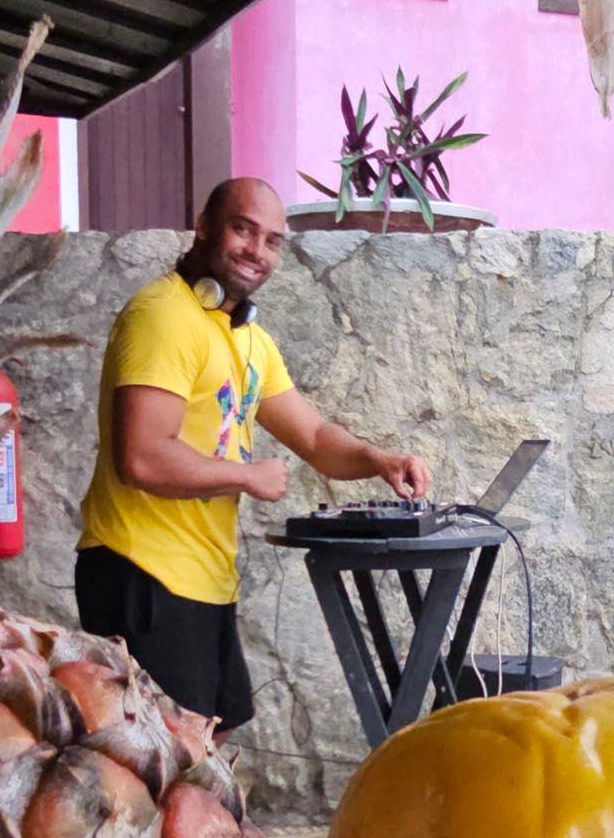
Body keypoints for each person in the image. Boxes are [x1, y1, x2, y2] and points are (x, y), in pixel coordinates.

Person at [75, 177, 432, 734]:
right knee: (172, 769)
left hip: (200, 580)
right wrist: (247, 476)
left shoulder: (247, 339)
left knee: (210, 745)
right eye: (243, 229)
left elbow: (313, 438)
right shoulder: (164, 317)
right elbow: (141, 457)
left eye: (271, 241)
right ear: (204, 227)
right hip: (141, 575)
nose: (256, 251)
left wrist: (378, 459)